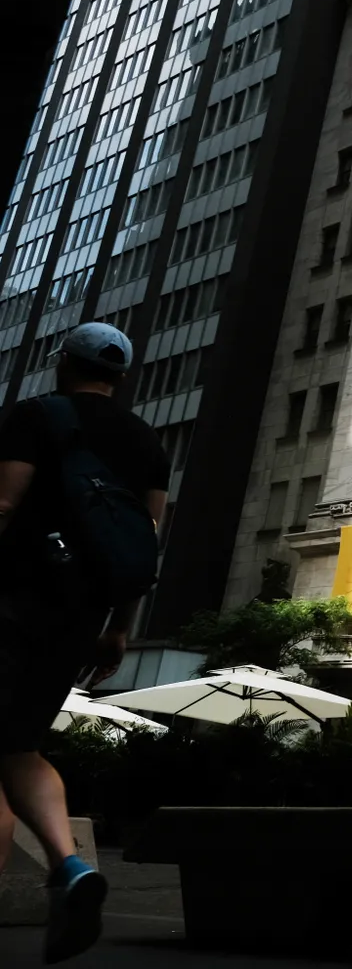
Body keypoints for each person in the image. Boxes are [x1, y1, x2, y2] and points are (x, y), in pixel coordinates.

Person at [0, 323, 168, 963]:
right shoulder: (147, 443)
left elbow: (4, 504)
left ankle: (64, 873)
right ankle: (68, 868)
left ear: (63, 364)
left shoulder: (36, 416)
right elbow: (143, 546)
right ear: (119, 375)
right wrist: (118, 627)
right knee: (19, 746)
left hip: (13, 599)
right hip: (81, 616)